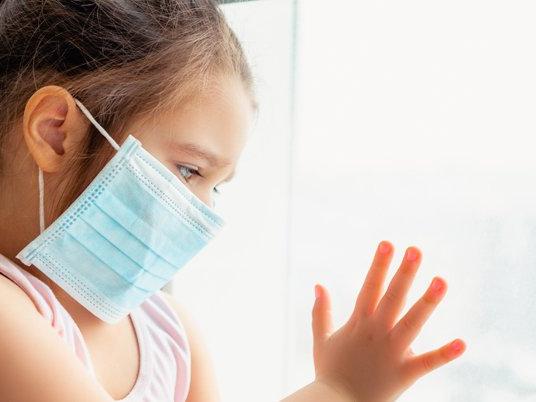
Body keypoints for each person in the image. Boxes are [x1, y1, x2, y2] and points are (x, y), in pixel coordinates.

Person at [0, 1, 465, 401]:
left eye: (216, 187)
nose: (200, 212)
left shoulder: (169, 334)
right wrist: (339, 389)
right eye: (189, 170)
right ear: (56, 132)